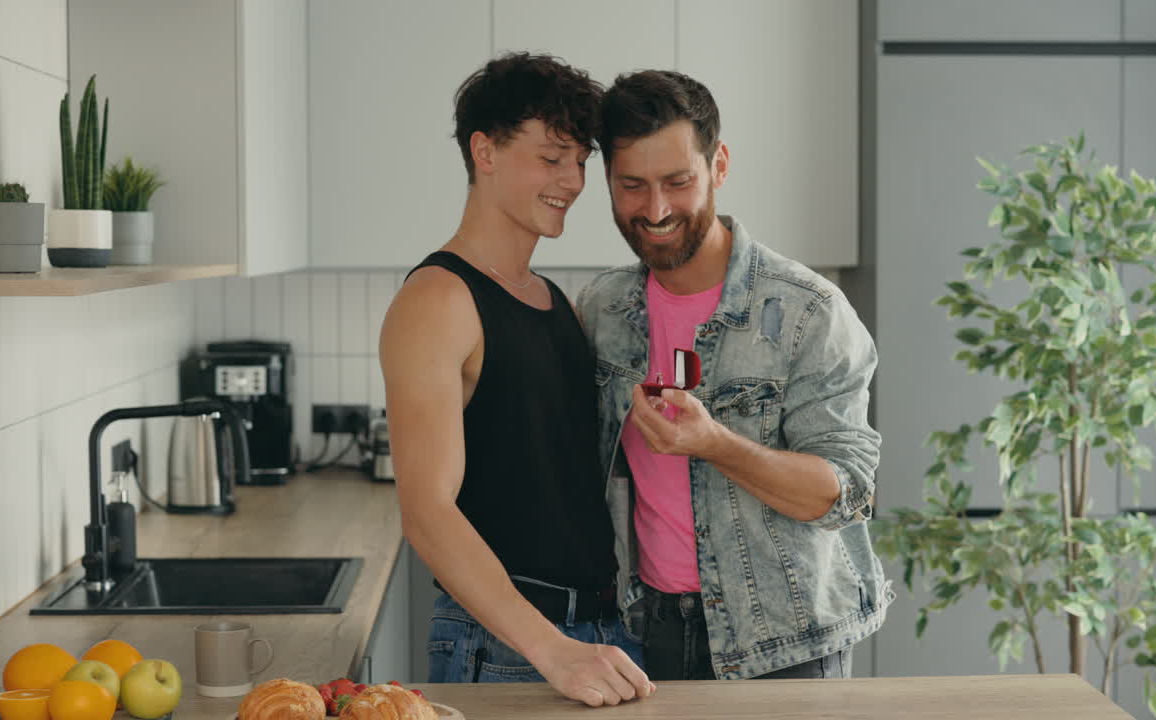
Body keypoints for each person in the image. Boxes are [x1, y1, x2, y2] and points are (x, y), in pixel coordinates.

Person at [577, 69, 893, 681]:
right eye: (632, 185)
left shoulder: (808, 312)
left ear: (718, 165)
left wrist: (714, 444)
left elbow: (844, 492)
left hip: (787, 645)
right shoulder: (602, 310)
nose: (655, 209)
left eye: (678, 182)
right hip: (646, 632)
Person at [378, 52, 653, 707]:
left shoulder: (552, 300)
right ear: (485, 151)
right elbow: (425, 512)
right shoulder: (437, 299)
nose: (573, 181)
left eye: (580, 161)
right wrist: (551, 649)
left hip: (597, 633)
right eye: (551, 157)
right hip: (508, 648)